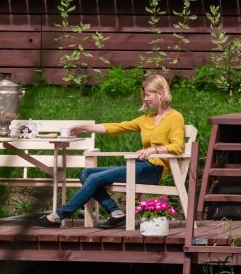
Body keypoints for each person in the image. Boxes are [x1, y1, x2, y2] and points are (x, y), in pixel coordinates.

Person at [37, 73, 186, 229]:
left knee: (94, 179)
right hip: (139, 166)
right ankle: (116, 213)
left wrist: (155, 150)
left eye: (148, 95)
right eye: (144, 95)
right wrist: (84, 127)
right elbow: (116, 127)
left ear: (160, 93)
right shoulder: (146, 118)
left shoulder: (175, 117)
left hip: (153, 170)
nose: (145, 99)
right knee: (86, 173)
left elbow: (178, 146)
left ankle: (58, 216)